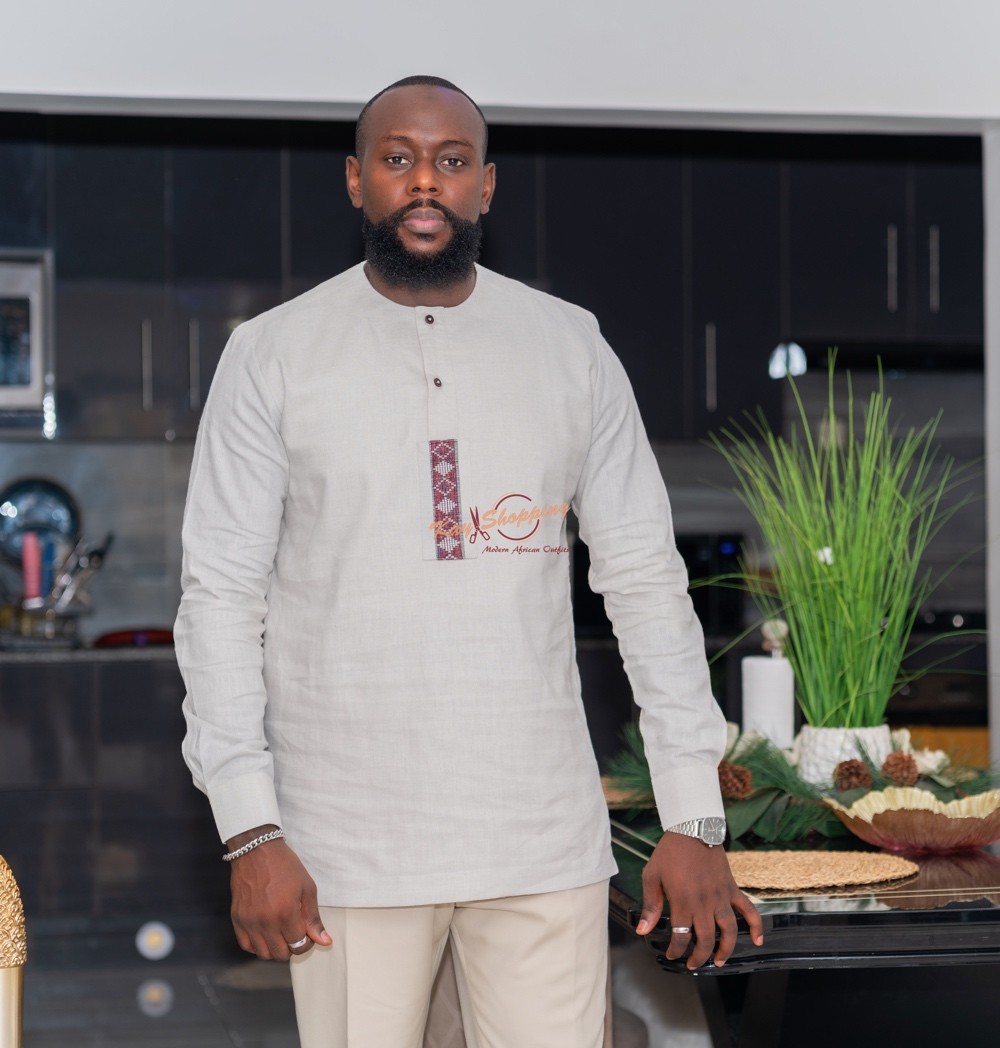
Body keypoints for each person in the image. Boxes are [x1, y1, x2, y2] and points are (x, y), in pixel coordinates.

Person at [175, 74, 763, 1048]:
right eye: (397, 159)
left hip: (538, 832)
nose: (424, 182)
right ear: (356, 180)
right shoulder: (274, 354)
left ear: (485, 186)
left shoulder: (569, 347)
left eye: (451, 161)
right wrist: (251, 827)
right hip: (346, 840)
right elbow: (221, 598)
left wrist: (695, 814)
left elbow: (646, 581)